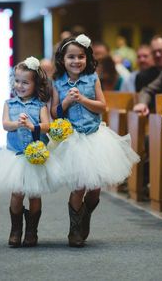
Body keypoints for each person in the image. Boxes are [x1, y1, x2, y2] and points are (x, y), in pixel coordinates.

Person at [51, 34, 140, 248]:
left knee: (95, 188)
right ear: (62, 60)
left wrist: (82, 99)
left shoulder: (92, 78)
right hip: (73, 139)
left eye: (80, 56)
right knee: (79, 186)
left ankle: (86, 214)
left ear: (87, 58)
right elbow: (55, 113)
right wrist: (67, 101)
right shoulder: (57, 82)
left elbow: (102, 106)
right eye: (71, 57)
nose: (76, 61)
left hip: (94, 136)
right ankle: (74, 230)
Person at [0, 57, 63, 248]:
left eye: (25, 82)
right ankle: (16, 229)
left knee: (34, 194)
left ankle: (32, 231)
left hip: (35, 157)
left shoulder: (40, 105)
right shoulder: (10, 104)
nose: (20, 85)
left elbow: (48, 126)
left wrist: (33, 126)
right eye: (17, 81)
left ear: (35, 84)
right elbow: (5, 124)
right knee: (16, 193)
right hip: (15, 156)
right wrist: (17, 124)